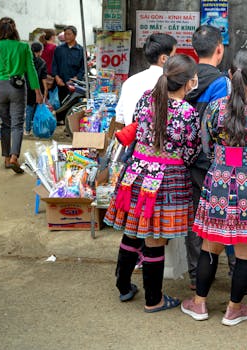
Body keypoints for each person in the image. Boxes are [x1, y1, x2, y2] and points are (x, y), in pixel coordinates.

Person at [181, 49, 247, 326]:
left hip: (220, 180)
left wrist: (225, 161)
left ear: (229, 75)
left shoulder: (214, 109)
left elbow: (207, 146)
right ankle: (233, 309)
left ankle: (200, 304)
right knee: (246, 251)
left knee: (209, 245)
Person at [104, 54, 201, 313]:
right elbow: (191, 152)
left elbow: (135, 128)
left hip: (136, 173)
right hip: (166, 181)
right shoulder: (187, 112)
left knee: (133, 231)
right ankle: (153, 300)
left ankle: (123, 287)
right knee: (155, 238)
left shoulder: (147, 97)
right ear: (190, 82)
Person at [184, 24, 231, 291]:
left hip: (185, 158)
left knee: (193, 219)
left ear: (194, 50)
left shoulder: (183, 77)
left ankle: (195, 276)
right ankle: (232, 272)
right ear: (219, 49)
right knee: (222, 217)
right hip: (212, 160)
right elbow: (220, 123)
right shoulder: (220, 82)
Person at [0, 17, 43, 173]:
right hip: (17, 87)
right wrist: (38, 92)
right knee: (17, 124)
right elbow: (31, 71)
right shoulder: (23, 47)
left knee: (5, 123)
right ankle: (14, 157)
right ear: (14, 28)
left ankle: (5, 157)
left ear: (0, 29)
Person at [115, 33, 177, 126]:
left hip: (134, 138)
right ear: (164, 58)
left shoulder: (130, 82)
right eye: (174, 55)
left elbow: (120, 118)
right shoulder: (172, 82)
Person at [51, 25, 84, 123]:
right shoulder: (59, 49)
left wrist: (75, 78)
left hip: (75, 84)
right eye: (65, 34)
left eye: (69, 34)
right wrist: (57, 78)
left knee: (74, 104)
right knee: (62, 102)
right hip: (61, 82)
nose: (66, 36)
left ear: (75, 35)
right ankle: (61, 121)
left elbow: (83, 68)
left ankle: (71, 124)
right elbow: (54, 65)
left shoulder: (81, 50)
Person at [24, 42, 48, 136]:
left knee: (29, 108)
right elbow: (43, 77)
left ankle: (27, 130)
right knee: (37, 108)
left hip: (27, 87)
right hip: (38, 88)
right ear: (40, 51)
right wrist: (45, 90)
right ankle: (37, 128)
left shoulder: (26, 61)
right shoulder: (42, 62)